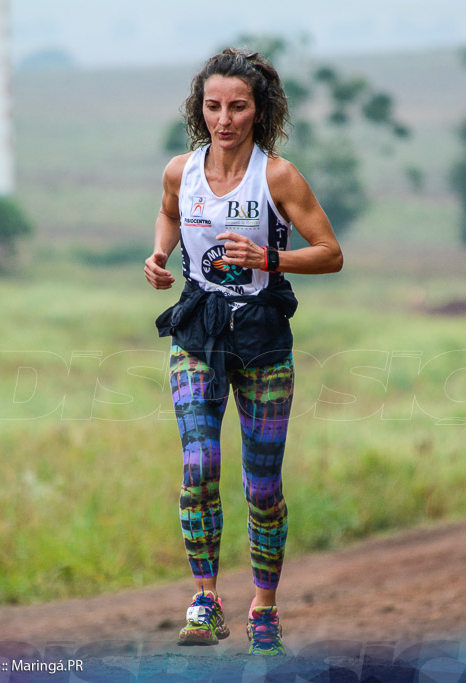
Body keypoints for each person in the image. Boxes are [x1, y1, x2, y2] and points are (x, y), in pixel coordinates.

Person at [144, 48, 343, 656]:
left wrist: (270, 259)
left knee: (262, 486)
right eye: (213, 106)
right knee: (199, 467)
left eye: (237, 107)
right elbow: (169, 214)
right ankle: (205, 601)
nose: (224, 119)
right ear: (198, 109)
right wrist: (159, 257)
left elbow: (331, 253)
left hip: (261, 340)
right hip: (197, 334)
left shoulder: (278, 176)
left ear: (260, 110)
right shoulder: (180, 170)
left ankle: (264, 607)